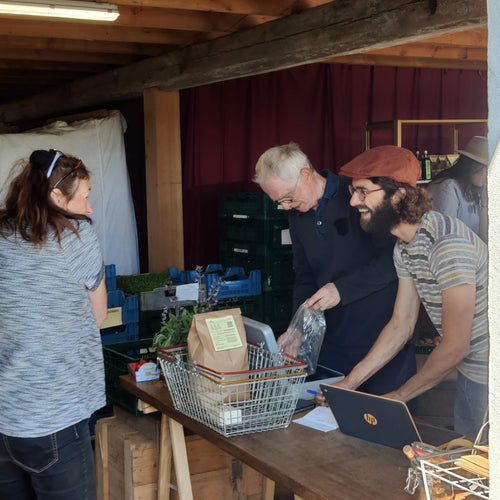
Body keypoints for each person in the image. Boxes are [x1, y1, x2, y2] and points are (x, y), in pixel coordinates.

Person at [326, 145, 488, 438]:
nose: (352, 201)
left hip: (490, 375)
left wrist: (399, 396)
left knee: (479, 470)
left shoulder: (447, 245)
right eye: (353, 191)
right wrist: (350, 383)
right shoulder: (406, 247)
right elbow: (401, 325)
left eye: (362, 191)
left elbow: (455, 346)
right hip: (473, 372)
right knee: (471, 461)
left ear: (398, 194)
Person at [254, 143, 416, 396]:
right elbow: (304, 276)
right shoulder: (298, 214)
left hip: (380, 333)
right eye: (279, 202)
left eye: (287, 197)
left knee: (383, 420)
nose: (285, 206)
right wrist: (298, 328)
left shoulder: (357, 196)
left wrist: (341, 289)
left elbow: (394, 260)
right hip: (332, 337)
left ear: (306, 175)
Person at [0, 149, 107, 500]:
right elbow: (100, 314)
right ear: (56, 196)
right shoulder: (74, 238)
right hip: (54, 418)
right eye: (85, 197)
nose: (89, 208)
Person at [427, 136, 488, 241]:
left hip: (473, 252)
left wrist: (484, 204)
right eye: (486, 170)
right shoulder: (447, 188)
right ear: (472, 166)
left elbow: (485, 239)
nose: (489, 175)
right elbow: (446, 235)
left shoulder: (478, 188)